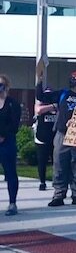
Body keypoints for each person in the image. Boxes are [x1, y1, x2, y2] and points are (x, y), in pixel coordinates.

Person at [39, 69, 76, 207]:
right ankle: (58, 194)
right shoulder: (62, 93)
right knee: (59, 164)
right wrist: (39, 81)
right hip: (62, 134)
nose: (73, 81)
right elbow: (42, 96)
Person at [0, 75, 21, 216]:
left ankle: (12, 203)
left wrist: (2, 136)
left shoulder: (13, 103)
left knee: (10, 172)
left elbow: (14, 125)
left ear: (6, 86)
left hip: (7, 142)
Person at [33, 86, 57, 191]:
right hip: (41, 138)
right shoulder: (40, 105)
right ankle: (42, 182)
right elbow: (38, 110)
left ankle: (56, 181)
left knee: (56, 162)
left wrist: (54, 106)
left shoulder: (57, 105)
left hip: (54, 138)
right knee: (42, 162)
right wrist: (52, 106)